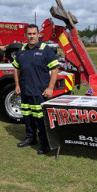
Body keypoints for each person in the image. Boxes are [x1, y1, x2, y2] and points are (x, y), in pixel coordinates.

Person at [13, 24, 59, 155]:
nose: (32, 36)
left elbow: (55, 70)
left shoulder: (46, 49)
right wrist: (17, 85)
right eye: (29, 34)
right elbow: (16, 68)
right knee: (27, 117)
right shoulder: (22, 50)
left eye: (34, 33)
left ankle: (46, 144)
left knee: (40, 120)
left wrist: (50, 88)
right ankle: (30, 138)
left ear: (38, 35)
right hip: (25, 92)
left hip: (39, 92)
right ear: (25, 36)